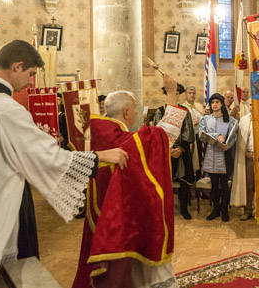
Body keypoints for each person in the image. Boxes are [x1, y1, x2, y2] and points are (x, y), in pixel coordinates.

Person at [0, 40, 127, 288]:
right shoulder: (5, 109)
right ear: (16, 67)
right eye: (30, 75)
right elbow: (47, 156)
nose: (30, 82)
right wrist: (102, 155)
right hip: (1, 201)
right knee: (13, 271)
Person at [73, 75, 185, 288]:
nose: (135, 113)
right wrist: (172, 95)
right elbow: (163, 135)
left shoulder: (97, 136)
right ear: (126, 112)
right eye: (134, 108)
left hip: (105, 222)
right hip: (123, 222)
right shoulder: (123, 141)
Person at [151, 83, 195, 220]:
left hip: (181, 151)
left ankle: (184, 208)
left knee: (183, 181)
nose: (174, 95)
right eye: (171, 93)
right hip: (164, 153)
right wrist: (168, 149)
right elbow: (157, 134)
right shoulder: (160, 111)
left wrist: (180, 149)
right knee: (163, 180)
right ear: (166, 94)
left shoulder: (184, 111)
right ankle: (164, 209)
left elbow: (189, 134)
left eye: (177, 93)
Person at [199, 93, 238, 221]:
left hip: (225, 156)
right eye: (212, 102)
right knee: (214, 185)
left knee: (225, 185)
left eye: (217, 102)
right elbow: (201, 135)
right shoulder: (205, 119)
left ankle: (224, 210)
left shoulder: (230, 120)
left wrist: (229, 145)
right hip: (211, 156)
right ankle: (215, 209)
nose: (214, 104)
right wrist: (216, 135)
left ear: (221, 104)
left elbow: (234, 136)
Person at [230, 111, 254, 220]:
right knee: (249, 185)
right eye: (250, 104)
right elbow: (240, 141)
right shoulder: (244, 120)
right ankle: (248, 210)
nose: (253, 106)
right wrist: (245, 152)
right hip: (249, 156)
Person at [180, 85, 204, 179]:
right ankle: (190, 179)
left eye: (194, 93)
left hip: (200, 136)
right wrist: (197, 122)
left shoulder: (198, 106)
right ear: (185, 95)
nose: (192, 95)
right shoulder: (183, 107)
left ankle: (199, 178)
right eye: (190, 93)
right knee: (191, 160)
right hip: (190, 139)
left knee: (200, 159)